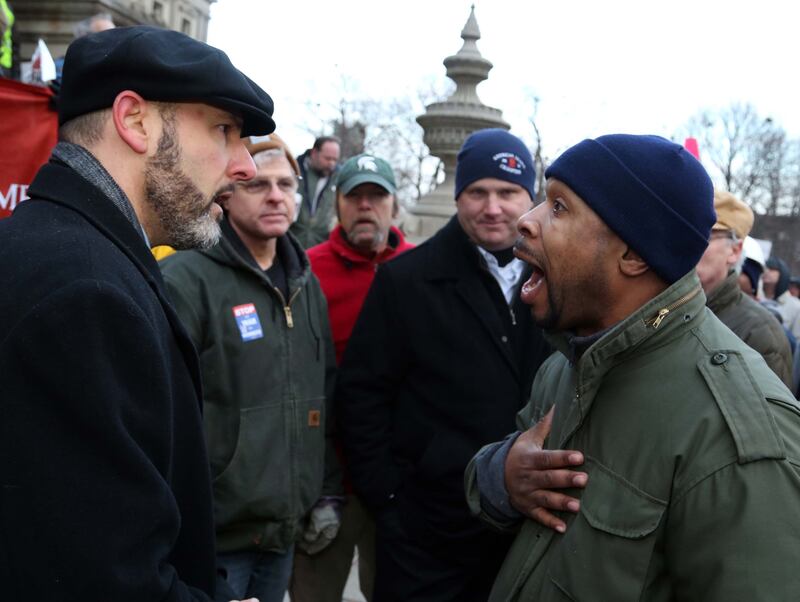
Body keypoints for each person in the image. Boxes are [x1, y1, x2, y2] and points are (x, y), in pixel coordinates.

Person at [0, 26, 274, 602]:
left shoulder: (70, 252)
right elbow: (101, 578)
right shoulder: (84, 294)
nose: (246, 166)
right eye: (224, 130)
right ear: (135, 121)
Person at [467, 134, 800, 601]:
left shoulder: (737, 440)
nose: (526, 220)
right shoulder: (567, 362)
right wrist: (501, 477)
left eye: (559, 207)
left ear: (634, 254)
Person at [337, 129, 551, 601]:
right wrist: (389, 498)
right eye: (477, 192)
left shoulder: (558, 282)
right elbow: (362, 394)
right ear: (457, 197)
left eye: (507, 192)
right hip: (426, 532)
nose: (492, 207)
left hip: (526, 529)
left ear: (529, 198)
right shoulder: (406, 281)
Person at [160, 133, 339, 602]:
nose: (276, 196)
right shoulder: (185, 279)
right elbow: (161, 414)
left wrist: (324, 490)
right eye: (258, 185)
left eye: (286, 184)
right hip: (215, 539)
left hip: (283, 534)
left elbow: (325, 391)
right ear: (226, 193)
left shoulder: (306, 282)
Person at [292, 153, 414, 602]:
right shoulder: (305, 271)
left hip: (400, 483)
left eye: (376, 196)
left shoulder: (420, 270)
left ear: (394, 205)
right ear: (338, 204)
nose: (366, 206)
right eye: (354, 196)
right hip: (326, 482)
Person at [696, 190, 793, 387]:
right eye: (685, 231)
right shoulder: (661, 303)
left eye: (704, 235)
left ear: (734, 250)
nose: (688, 243)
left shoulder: (760, 333)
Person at [292, 135, 341, 248]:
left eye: (335, 160)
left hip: (320, 247)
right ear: (314, 153)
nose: (331, 163)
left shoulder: (339, 179)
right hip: (291, 244)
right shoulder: (293, 171)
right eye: (327, 158)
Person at [763, 255, 800, 338]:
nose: (766, 271)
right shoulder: (755, 297)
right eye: (765, 268)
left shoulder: (796, 306)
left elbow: (796, 339)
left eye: (772, 269)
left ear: (782, 273)